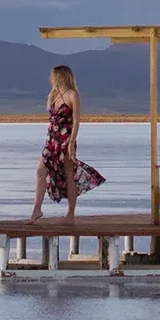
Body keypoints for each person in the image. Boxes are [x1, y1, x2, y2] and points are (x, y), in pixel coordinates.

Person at [31, 65, 105, 222]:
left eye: (53, 76)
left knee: (69, 174)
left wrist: (71, 143)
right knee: (40, 171)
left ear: (61, 76)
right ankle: (36, 209)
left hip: (66, 140)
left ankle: (70, 214)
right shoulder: (54, 95)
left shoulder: (73, 95)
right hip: (51, 139)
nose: (51, 79)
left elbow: (77, 121)